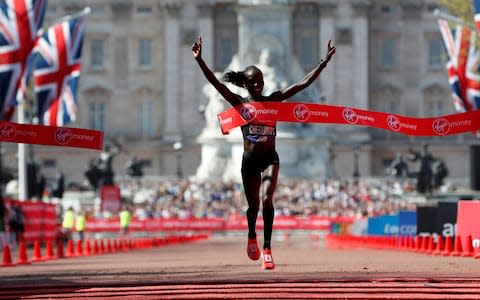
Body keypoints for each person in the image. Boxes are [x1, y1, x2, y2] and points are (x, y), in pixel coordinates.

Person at [192, 36, 335, 270]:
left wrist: (323, 62)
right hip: (249, 161)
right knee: (253, 207)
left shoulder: (274, 101)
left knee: (267, 200)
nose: (258, 84)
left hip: (270, 159)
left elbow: (302, 84)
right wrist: (200, 61)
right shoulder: (239, 104)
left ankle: (267, 249)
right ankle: (251, 236)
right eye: (253, 82)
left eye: (260, 80)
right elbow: (217, 85)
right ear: (246, 85)